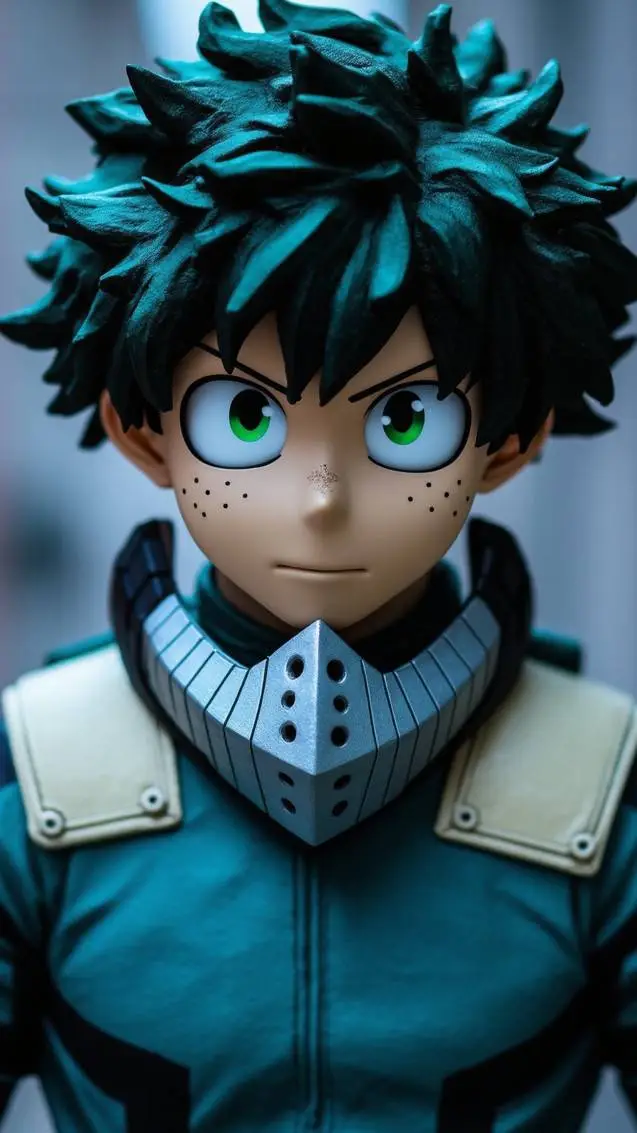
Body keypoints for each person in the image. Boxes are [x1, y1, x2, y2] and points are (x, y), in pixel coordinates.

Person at [1, 1, 637, 1128]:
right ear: (144, 432)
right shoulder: (36, 779)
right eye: (246, 418)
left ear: (508, 440)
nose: (322, 497)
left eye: (406, 422)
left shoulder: (602, 786)